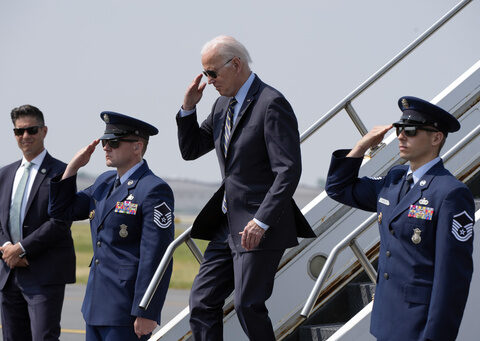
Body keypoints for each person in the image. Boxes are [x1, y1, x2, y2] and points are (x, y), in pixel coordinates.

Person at [176, 35, 316, 341]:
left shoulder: (271, 103)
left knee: (248, 305)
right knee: (201, 303)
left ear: (236, 64)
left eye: (213, 73)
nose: (209, 81)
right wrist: (188, 109)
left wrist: (262, 219)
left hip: (259, 225)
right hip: (226, 224)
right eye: (205, 74)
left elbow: (288, 170)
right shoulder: (221, 104)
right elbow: (191, 149)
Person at [325, 96, 474, 341]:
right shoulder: (394, 180)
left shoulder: (450, 193)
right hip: (386, 321)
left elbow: (452, 277)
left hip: (419, 326)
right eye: (399, 129)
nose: (401, 136)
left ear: (436, 138)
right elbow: (338, 188)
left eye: (411, 130)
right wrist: (361, 147)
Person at [48, 111, 174, 341]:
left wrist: (147, 310)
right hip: (95, 306)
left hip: (126, 310)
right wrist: (73, 168)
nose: (106, 147)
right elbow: (60, 211)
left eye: (113, 142)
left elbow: (156, 255)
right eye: (105, 142)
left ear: (137, 147)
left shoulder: (153, 189)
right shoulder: (104, 182)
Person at [0, 105, 76, 341]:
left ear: (44, 131)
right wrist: (7, 250)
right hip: (8, 273)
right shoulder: (4, 174)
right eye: (19, 131)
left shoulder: (61, 172)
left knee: (43, 337)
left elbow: (60, 222)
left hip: (44, 274)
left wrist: (22, 249)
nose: (25, 136)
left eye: (31, 130)